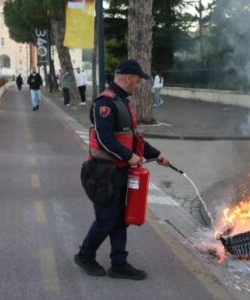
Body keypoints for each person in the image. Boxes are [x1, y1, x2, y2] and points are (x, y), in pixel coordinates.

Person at [75, 59, 170, 280]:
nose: (137, 86)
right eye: (137, 81)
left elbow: (133, 139)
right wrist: (129, 157)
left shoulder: (122, 101)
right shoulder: (104, 104)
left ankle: (119, 263)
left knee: (120, 219)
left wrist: (156, 155)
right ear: (127, 78)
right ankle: (85, 255)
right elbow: (105, 140)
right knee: (106, 219)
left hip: (119, 171)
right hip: (104, 173)